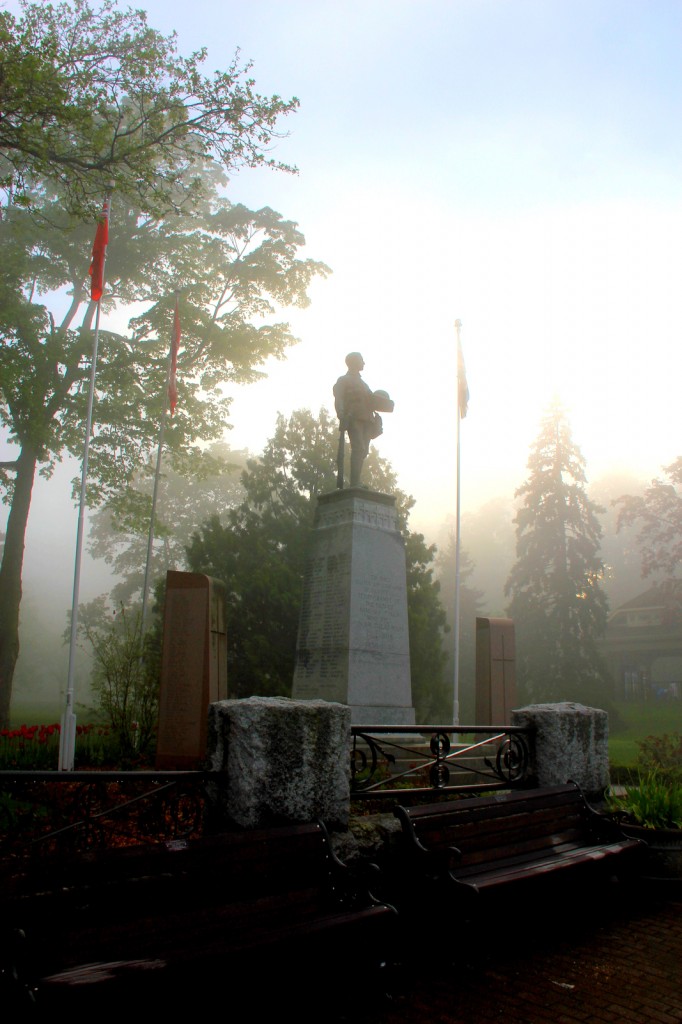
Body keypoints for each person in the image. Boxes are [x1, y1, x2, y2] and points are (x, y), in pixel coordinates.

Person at [333, 352, 384, 488]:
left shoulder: (364, 384)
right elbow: (339, 399)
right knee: (359, 448)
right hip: (353, 417)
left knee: (364, 451)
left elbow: (372, 402)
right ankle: (355, 483)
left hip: (367, 419)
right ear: (354, 362)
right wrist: (341, 414)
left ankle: (356, 481)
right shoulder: (343, 380)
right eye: (362, 360)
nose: (364, 363)